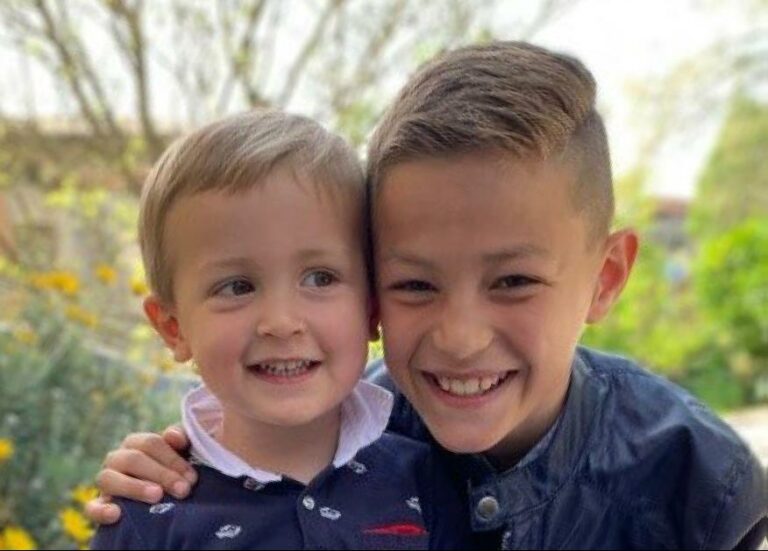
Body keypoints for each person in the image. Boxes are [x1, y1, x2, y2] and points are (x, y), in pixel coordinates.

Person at [88, 42, 767, 549]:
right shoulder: (348, 429)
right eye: (415, 284)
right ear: (373, 297)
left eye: (514, 281)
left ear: (606, 277)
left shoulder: (700, 484)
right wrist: (166, 470)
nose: (460, 337)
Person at [90, 110, 470, 550]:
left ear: (371, 310)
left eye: (320, 278)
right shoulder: (144, 519)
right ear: (173, 328)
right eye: (237, 287)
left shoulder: (426, 483)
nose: (281, 322)